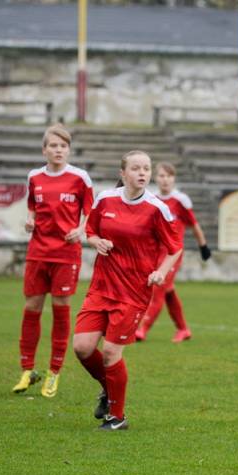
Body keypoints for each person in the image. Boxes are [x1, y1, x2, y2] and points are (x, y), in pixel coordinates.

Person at [72, 151, 181, 430]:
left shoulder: (157, 208)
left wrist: (161, 271)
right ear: (123, 173)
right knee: (82, 348)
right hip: (101, 287)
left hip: (133, 292)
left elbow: (175, 247)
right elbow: (90, 231)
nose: (142, 173)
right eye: (136, 168)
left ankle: (117, 418)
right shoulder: (105, 199)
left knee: (110, 352)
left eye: (146, 168)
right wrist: (96, 241)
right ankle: (108, 388)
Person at [12, 123, 94, 398]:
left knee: (61, 308)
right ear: (44, 150)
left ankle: (54, 371)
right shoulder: (34, 176)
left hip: (66, 254)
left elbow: (90, 210)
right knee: (31, 307)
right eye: (53, 145)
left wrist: (81, 230)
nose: (59, 150)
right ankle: (27, 369)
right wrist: (30, 221)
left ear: (68, 150)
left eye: (63, 146)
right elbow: (32, 207)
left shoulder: (80, 177)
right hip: (38, 251)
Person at [135, 162, 211, 342]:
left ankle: (142, 329)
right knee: (167, 290)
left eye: (169, 176)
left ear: (174, 178)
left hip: (173, 254)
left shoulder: (181, 200)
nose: (165, 180)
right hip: (155, 254)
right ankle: (183, 329)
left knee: (158, 288)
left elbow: (194, 225)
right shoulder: (152, 199)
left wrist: (203, 246)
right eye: (161, 176)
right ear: (156, 178)